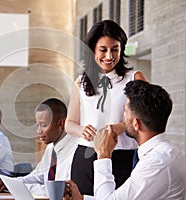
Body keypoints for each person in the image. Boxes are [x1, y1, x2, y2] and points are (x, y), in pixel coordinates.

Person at [65, 19, 148, 195]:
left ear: (122, 49)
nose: (109, 56)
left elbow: (148, 119)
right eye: (103, 50)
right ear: (92, 50)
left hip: (122, 157)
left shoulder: (134, 78)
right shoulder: (81, 82)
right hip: (85, 156)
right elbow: (69, 123)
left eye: (115, 49)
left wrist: (121, 127)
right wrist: (81, 130)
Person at [65, 80, 186, 199]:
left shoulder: (157, 162)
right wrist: (82, 198)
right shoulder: (165, 153)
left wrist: (104, 155)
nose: (122, 117)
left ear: (136, 124)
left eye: (125, 111)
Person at [0, 98, 78, 197]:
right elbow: (37, 176)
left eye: (44, 125)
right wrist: (7, 182)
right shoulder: (51, 148)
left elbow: (60, 190)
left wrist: (15, 186)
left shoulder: (76, 151)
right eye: (38, 125)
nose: (39, 131)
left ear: (61, 124)